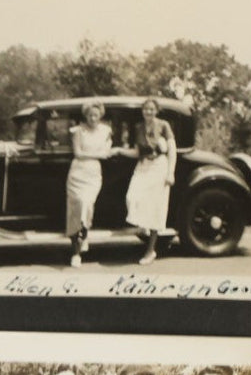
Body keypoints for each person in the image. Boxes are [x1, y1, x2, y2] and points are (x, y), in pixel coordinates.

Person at [118, 98, 178, 266]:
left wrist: (170, 173)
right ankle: (143, 226)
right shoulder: (138, 128)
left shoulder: (164, 125)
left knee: (155, 208)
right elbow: (137, 152)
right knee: (132, 197)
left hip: (159, 166)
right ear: (142, 111)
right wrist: (120, 151)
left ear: (156, 111)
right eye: (146, 109)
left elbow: (172, 150)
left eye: (151, 109)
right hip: (143, 165)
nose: (148, 112)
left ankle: (151, 250)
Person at [67, 102, 114, 267]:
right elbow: (78, 153)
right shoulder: (78, 131)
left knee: (87, 205)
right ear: (85, 116)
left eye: (95, 115)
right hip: (77, 173)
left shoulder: (106, 131)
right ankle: (75, 253)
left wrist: (100, 154)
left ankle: (84, 236)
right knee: (76, 208)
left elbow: (107, 153)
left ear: (100, 115)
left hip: (93, 174)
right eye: (89, 115)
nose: (92, 118)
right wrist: (97, 154)